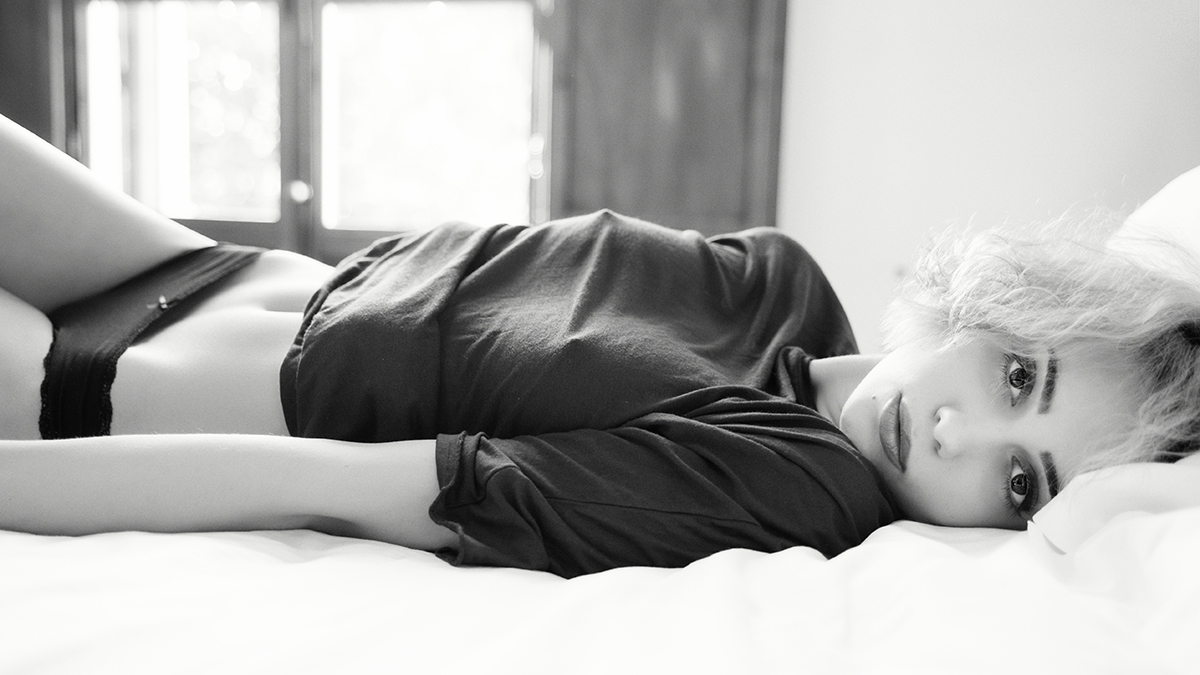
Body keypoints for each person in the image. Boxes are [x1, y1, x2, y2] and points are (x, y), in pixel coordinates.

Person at [1, 112, 1198, 577]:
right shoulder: (790, 284)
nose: (954, 432)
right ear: (1002, 310)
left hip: (122, 386)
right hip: (220, 271)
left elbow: (346, 486)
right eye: (1019, 377)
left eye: (1020, 480)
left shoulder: (792, 486)